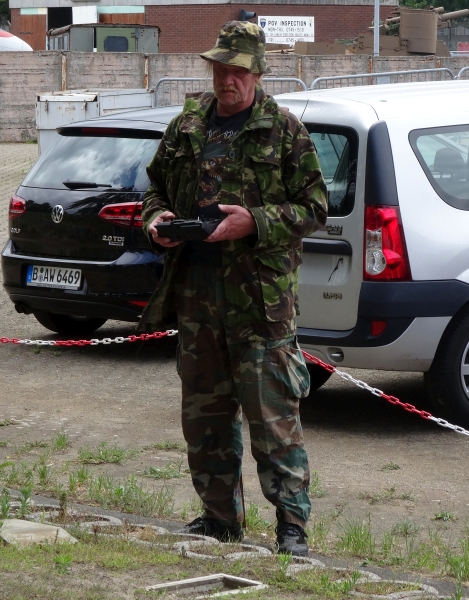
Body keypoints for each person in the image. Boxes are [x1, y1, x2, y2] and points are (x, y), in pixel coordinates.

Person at [139, 20, 328, 556]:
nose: (228, 79)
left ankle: (292, 527)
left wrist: (256, 222)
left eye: (238, 70)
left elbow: (315, 208)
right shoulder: (188, 126)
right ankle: (220, 518)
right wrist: (157, 222)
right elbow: (153, 188)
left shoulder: (284, 129)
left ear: (258, 72)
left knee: (273, 422)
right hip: (198, 300)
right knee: (205, 418)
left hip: (260, 305)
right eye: (221, 67)